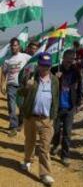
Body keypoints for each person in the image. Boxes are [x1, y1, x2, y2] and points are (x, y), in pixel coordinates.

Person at [19, 53, 59, 186]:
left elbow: (56, 99)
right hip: (31, 117)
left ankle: (45, 174)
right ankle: (27, 160)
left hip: (46, 120)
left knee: (44, 147)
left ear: (50, 66)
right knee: (29, 141)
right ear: (38, 64)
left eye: (47, 66)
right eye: (42, 65)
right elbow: (20, 93)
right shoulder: (31, 77)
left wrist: (53, 117)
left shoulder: (54, 80)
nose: (44, 68)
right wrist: (27, 87)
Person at [50, 50, 82, 166]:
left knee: (67, 132)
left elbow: (79, 88)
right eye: (68, 58)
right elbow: (47, 85)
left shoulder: (76, 71)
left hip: (70, 107)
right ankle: (55, 144)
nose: (70, 60)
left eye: (72, 58)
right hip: (57, 106)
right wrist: (55, 78)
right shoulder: (55, 70)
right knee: (56, 130)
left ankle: (65, 155)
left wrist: (78, 103)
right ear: (63, 57)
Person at [2, 37, 31, 137]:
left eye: (15, 45)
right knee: (11, 106)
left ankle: (21, 121)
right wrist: (2, 85)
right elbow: (4, 73)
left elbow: (34, 62)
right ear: (10, 47)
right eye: (12, 46)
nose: (14, 47)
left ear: (19, 46)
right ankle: (13, 127)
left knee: (22, 105)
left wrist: (29, 76)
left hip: (22, 86)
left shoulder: (24, 56)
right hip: (11, 85)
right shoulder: (7, 60)